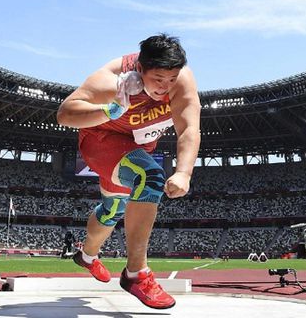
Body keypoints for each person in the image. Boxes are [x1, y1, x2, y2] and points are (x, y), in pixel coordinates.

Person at [57, 34, 201, 309]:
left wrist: (184, 172)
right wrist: (111, 110)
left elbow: (189, 129)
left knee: (112, 209)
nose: (165, 87)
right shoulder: (112, 81)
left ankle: (87, 255)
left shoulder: (181, 81)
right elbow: (65, 114)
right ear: (139, 70)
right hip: (101, 142)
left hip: (137, 150)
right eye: (158, 79)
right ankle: (136, 274)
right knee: (151, 176)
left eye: (171, 79)